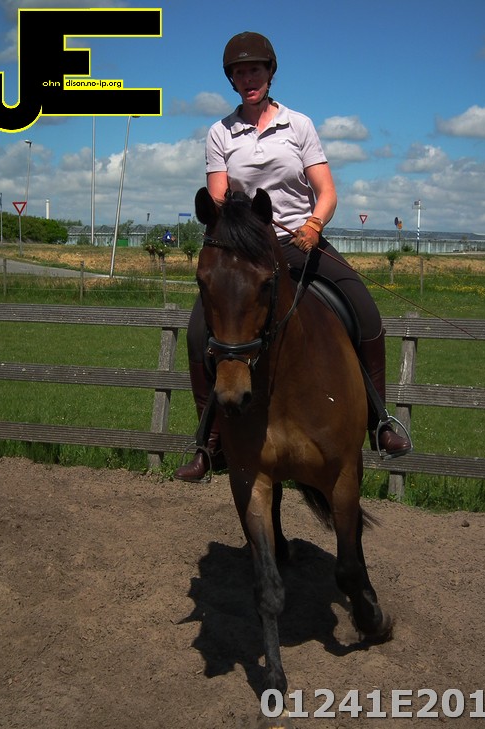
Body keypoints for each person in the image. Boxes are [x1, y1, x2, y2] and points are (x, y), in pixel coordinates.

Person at [174, 31, 411, 482]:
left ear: (270, 73)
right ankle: (209, 441)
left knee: (365, 310)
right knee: (198, 331)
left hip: (299, 243)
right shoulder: (220, 133)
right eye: (239, 73)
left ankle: (379, 422)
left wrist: (314, 225)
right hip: (248, 251)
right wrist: (238, 224)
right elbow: (220, 197)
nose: (248, 79)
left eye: (255, 70)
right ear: (231, 80)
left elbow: (326, 191)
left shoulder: (298, 125)